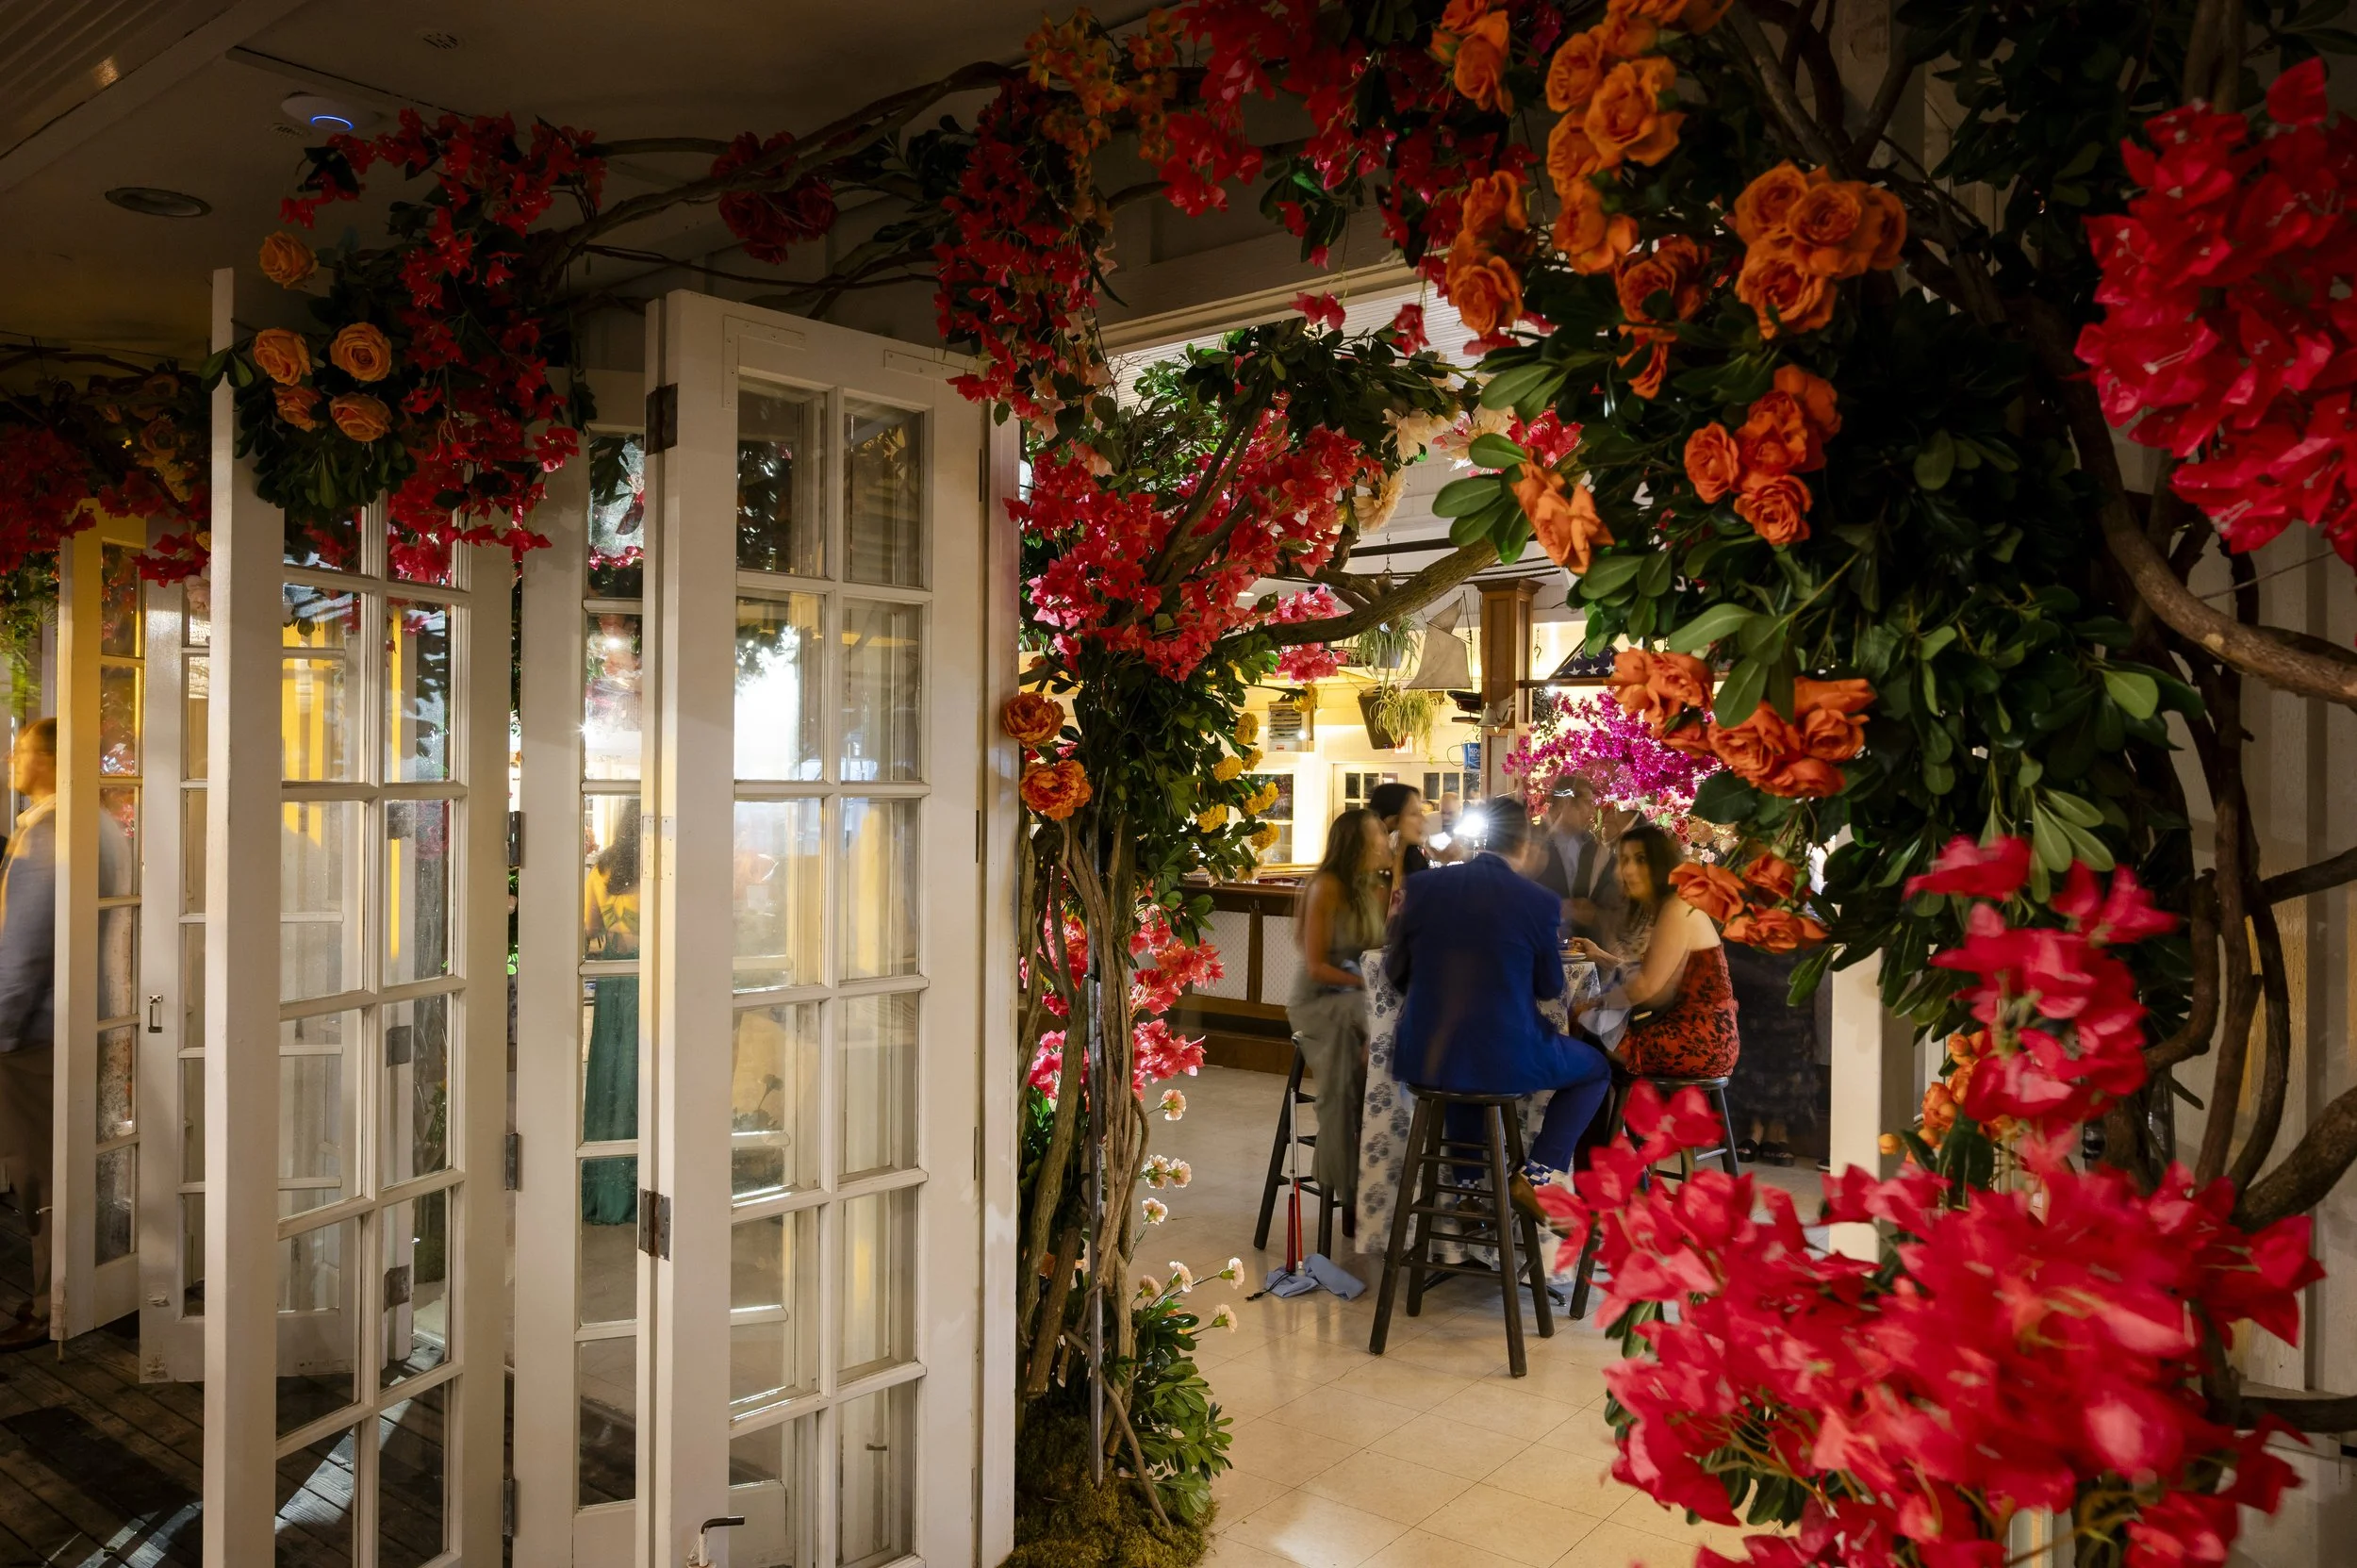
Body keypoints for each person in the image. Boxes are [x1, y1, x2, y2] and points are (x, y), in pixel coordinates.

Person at [1382, 795, 1612, 1203]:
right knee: (1595, 1068)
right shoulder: (1538, 901)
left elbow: (1396, 972)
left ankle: (1468, 1188)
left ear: (1477, 841)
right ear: (1523, 845)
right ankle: (1537, 1174)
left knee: (1463, 1059)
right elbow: (1547, 986)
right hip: (1503, 1055)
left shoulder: (1422, 887)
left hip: (1425, 1055)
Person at [1570, 823, 1741, 1080]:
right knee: (1592, 1033)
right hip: (1707, 1038)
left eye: (1640, 860)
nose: (1628, 870)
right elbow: (1655, 978)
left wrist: (1595, 1004)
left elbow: (1648, 989)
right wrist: (1600, 956)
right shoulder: (1674, 907)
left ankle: (1607, 1119)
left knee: (1586, 1041)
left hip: (1696, 1040)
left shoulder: (1677, 908)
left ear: (1661, 865)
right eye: (1624, 860)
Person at [1285, 808, 1393, 1210]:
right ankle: (1350, 1175)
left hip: (1354, 997)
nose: (1386, 840)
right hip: (1319, 999)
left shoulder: (1372, 888)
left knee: (1388, 1025)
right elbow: (1317, 967)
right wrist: (1369, 982)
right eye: (1378, 834)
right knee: (1378, 1026)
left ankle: (1378, 1154)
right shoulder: (1325, 887)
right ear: (1358, 844)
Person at [0, 721, 58, 1351]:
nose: (11, 757)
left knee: (37, 1175)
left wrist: (1, 1031)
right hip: (57, 1025)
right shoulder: (81, 820)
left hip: (35, 1034)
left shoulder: (47, 829)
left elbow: (23, 950)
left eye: (22, 749)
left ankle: (50, 1305)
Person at [580, 809, 641, 1224]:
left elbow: (589, 926)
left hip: (620, 978)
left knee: (614, 1070)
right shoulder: (669, 862)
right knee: (652, 1072)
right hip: (664, 977)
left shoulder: (602, 869)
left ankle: (609, 1185)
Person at [1527, 776, 1627, 948]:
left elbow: (1615, 908)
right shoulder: (1530, 843)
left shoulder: (1598, 852)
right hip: (1538, 949)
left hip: (1587, 955)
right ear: (1566, 803)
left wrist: (1593, 913)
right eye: (1587, 803)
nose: (1591, 811)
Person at [1367, 782, 1431, 881]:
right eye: (1414, 813)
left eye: (1421, 812)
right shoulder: (1367, 869)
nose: (1423, 820)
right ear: (1391, 820)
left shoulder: (1415, 861)